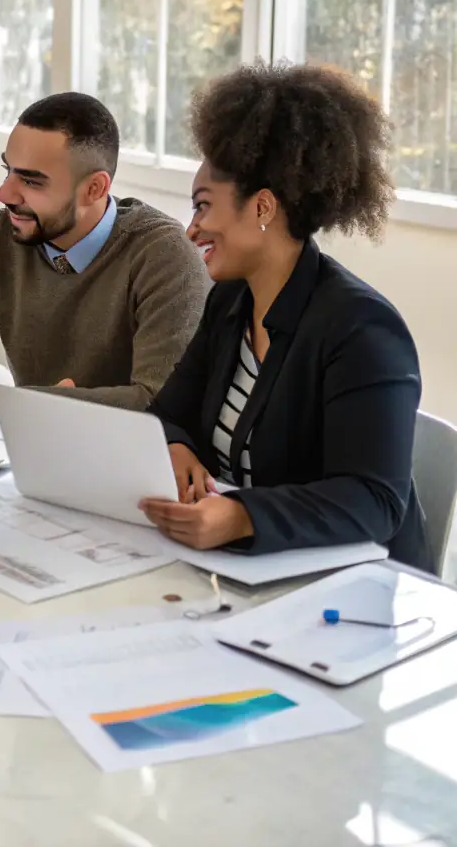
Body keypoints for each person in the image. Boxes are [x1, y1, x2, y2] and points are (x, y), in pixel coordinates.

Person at [141, 61, 431, 571]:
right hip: (263, 569)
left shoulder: (362, 330)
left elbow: (374, 500)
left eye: (203, 207)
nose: (192, 230)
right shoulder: (231, 302)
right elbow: (169, 413)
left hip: (362, 586)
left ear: (263, 208)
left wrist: (241, 517)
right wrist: (175, 445)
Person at [0, 92, 209, 409]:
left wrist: (27, 403)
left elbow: (161, 401)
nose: (4, 193)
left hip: (126, 454)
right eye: (8, 170)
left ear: (95, 189)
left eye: (31, 182)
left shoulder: (165, 256)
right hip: (31, 442)